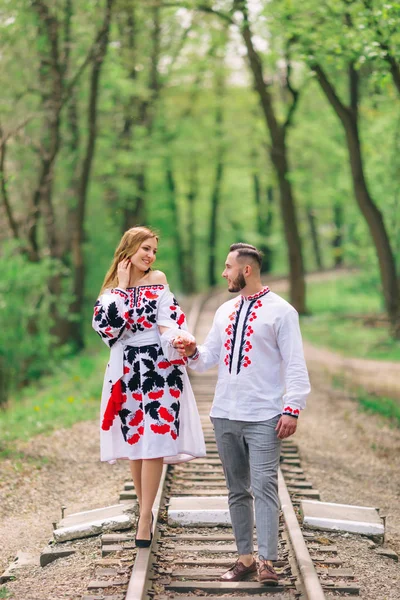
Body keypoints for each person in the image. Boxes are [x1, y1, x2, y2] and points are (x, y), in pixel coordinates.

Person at [175, 243, 310, 584]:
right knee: (237, 489)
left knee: (264, 486)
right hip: (225, 413)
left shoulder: (282, 312)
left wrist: (292, 409)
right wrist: (193, 350)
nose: (224, 273)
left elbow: (295, 364)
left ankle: (268, 561)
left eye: (228, 267)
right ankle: (245, 558)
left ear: (245, 270)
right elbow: (208, 359)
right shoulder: (224, 311)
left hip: (265, 414)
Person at [92, 226, 206, 547]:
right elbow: (109, 330)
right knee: (136, 444)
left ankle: (145, 517)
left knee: (154, 440)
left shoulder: (158, 279)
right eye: (145, 249)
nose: (150, 256)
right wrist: (124, 288)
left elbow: (169, 321)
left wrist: (179, 338)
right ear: (128, 248)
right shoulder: (112, 289)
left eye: (154, 250)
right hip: (125, 371)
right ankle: (146, 510)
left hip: (159, 370)